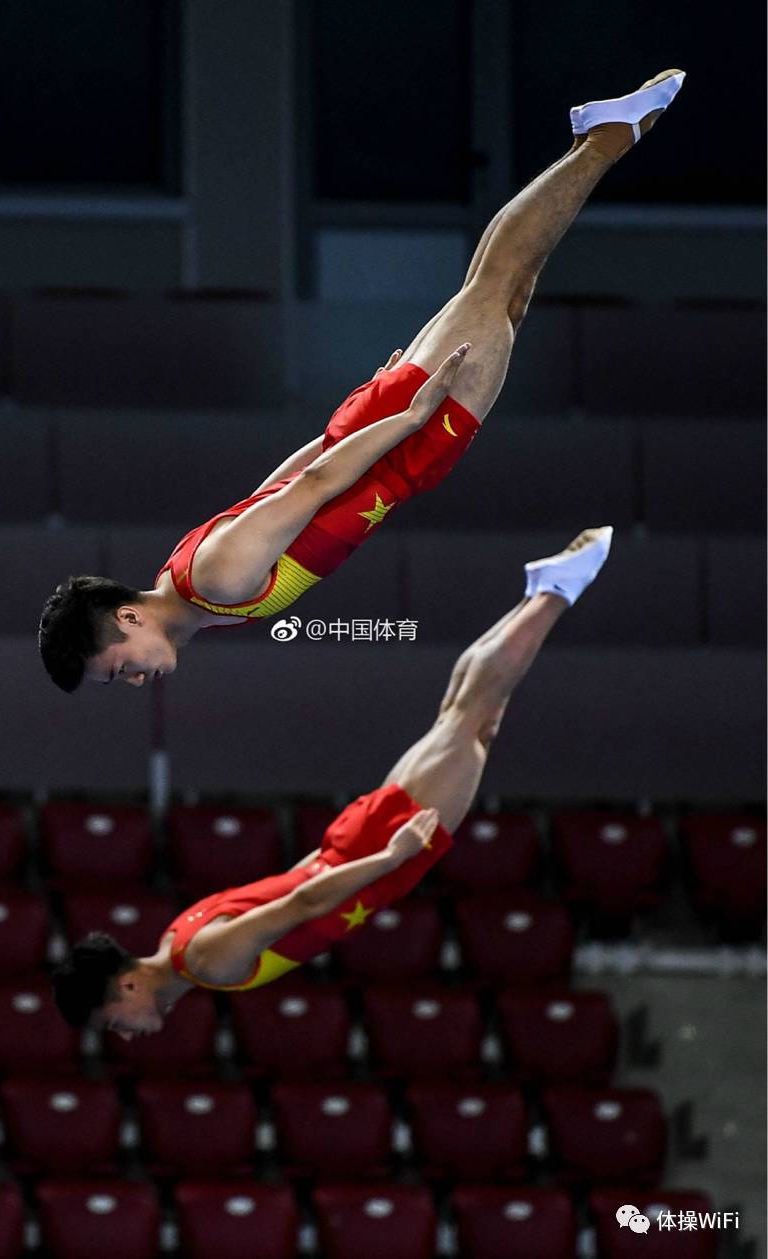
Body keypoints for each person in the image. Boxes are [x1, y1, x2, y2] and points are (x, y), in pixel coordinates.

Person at [38, 71, 682, 694]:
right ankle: (591, 144)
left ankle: (607, 139)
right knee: (500, 295)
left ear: (128, 618)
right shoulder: (188, 586)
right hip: (384, 442)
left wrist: (403, 415)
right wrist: (363, 416)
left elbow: (315, 485)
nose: (135, 681)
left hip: (400, 441)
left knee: (495, 286)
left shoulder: (220, 581)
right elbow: (280, 487)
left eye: (119, 668)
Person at [52, 526, 612, 1037]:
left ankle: (555, 591)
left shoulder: (205, 960)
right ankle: (544, 590)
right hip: (353, 853)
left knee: (470, 721)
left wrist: (389, 858)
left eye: (113, 1024)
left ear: (125, 987)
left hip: (369, 857)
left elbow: (302, 903)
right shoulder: (179, 939)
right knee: (467, 718)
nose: (126, 1035)